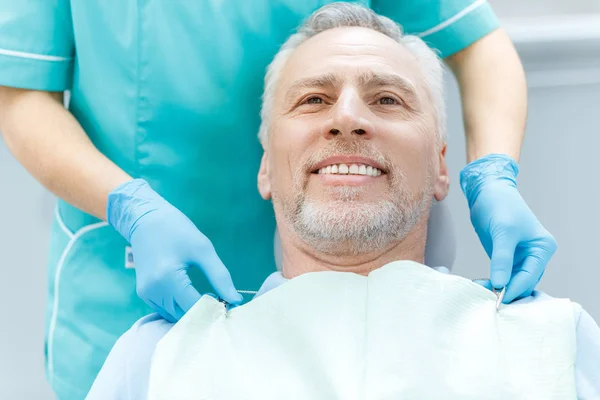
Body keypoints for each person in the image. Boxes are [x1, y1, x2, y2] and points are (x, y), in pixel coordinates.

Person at [0, 0, 556, 398]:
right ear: (264, 162)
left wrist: (493, 172)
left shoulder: (545, 344)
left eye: (384, 98)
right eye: (314, 98)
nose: (347, 119)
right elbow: (20, 91)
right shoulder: (146, 362)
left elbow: (480, 47)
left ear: (440, 161)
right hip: (135, 284)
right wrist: (128, 205)